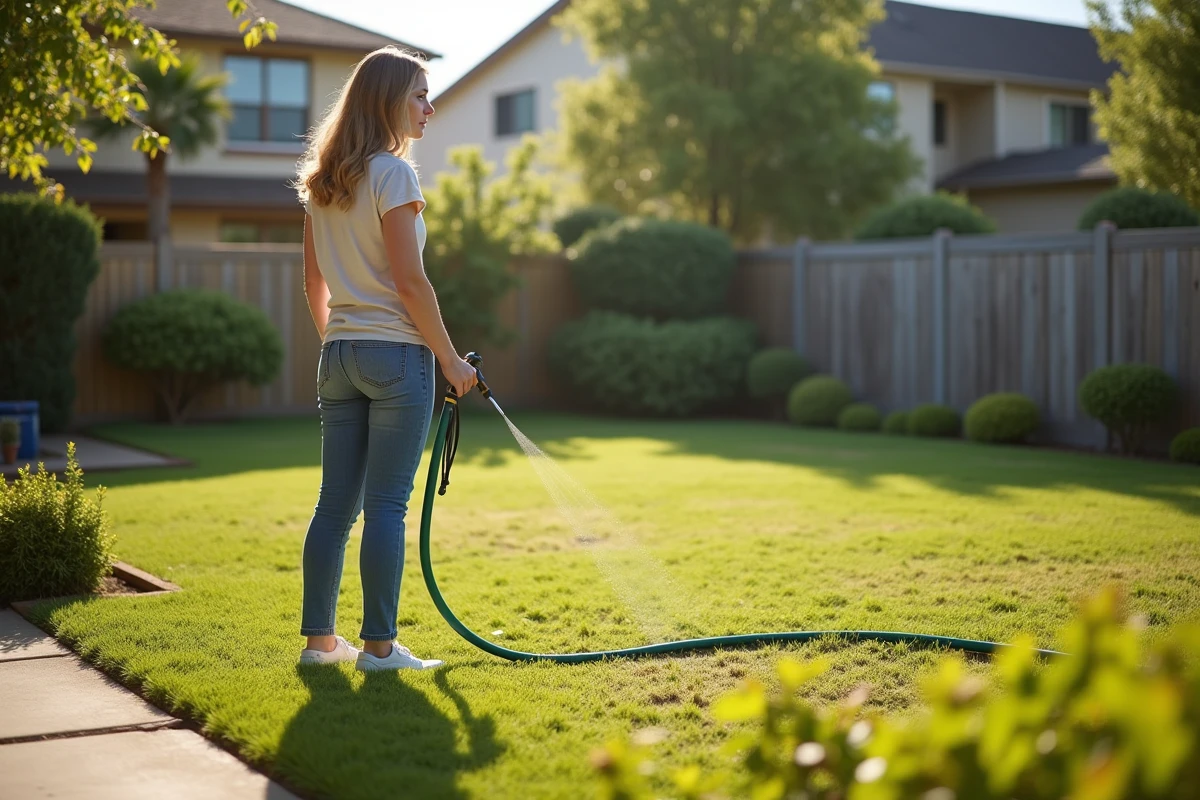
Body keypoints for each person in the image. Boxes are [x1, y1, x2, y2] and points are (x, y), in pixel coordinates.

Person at [292, 46, 478, 671]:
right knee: (388, 505)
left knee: (334, 504)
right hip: (396, 359)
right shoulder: (394, 174)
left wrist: (336, 342)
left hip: (338, 356)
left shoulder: (324, 181)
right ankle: (378, 647)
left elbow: (314, 285)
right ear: (388, 101)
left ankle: (321, 645)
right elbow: (411, 283)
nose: (430, 106)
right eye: (419, 95)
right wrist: (451, 360)